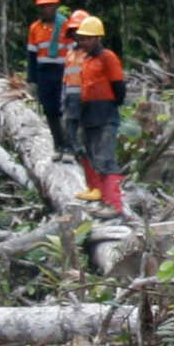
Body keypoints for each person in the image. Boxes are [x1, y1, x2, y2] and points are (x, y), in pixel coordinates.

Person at [66, 15, 131, 213]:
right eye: (81, 38)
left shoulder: (107, 57)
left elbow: (118, 86)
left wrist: (111, 104)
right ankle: (104, 200)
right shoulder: (86, 59)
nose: (82, 41)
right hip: (89, 114)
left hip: (105, 114)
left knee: (106, 159)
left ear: (97, 38)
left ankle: (115, 205)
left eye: (86, 38)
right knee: (93, 157)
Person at [25, 0, 78, 157]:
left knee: (65, 109)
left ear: (56, 6)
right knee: (50, 110)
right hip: (44, 73)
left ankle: (69, 146)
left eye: (49, 6)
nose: (46, 9)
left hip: (62, 72)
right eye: (43, 6)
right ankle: (58, 145)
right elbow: (32, 55)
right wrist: (32, 80)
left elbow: (73, 53)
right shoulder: (35, 28)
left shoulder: (66, 26)